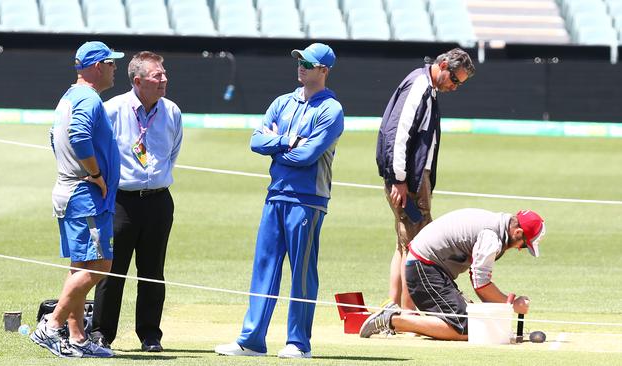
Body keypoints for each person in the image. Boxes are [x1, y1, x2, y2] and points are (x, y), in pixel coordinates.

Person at [215, 43, 344, 359]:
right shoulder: (282, 102)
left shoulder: (331, 110)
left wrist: (278, 148)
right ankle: (252, 340)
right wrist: (286, 140)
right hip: (276, 195)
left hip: (309, 199)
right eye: (299, 60)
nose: (301, 66)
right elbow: (257, 141)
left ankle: (298, 344)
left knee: (302, 273)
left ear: (324, 70)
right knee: (264, 268)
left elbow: (307, 156)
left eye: (308, 63)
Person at [30, 41, 124, 358]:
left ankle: (77, 336)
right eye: (111, 63)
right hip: (85, 196)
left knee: (81, 264)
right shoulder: (88, 98)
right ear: (98, 66)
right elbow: (80, 136)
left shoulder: (70, 96)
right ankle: (51, 325)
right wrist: (96, 175)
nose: (115, 68)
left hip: (72, 192)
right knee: (101, 266)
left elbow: (53, 137)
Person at [90, 51, 183, 352]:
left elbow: (172, 154)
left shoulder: (172, 112)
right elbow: (94, 147)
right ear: (138, 80)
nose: (164, 80)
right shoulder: (113, 109)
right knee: (111, 270)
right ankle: (102, 333)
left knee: (153, 272)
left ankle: (150, 335)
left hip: (158, 201)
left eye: (164, 74)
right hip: (120, 203)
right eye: (158, 76)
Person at [375, 48, 475, 311]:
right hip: (409, 180)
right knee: (416, 248)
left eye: (460, 84)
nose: (455, 87)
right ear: (443, 65)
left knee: (404, 244)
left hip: (412, 178)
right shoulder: (420, 86)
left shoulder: (426, 87)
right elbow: (397, 133)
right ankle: (408, 314)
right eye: (455, 79)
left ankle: (394, 307)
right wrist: (399, 180)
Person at [359, 208, 546, 340]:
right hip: (423, 268)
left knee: (470, 321)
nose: (521, 250)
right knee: (465, 328)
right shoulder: (492, 238)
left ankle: (396, 318)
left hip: (430, 268)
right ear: (518, 231)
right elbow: (480, 284)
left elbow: (477, 279)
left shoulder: (498, 226)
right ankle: (392, 319)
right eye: (524, 245)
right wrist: (511, 304)